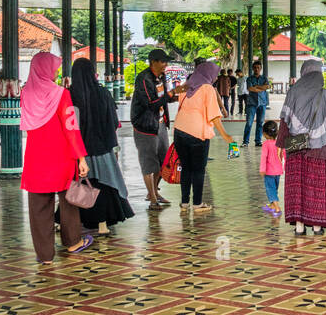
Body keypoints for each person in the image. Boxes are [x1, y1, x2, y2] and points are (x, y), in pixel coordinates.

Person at [20, 52, 93, 261]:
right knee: (69, 201)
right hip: (61, 156)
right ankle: (73, 243)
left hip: (35, 159)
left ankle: (44, 255)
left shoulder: (26, 93)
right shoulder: (61, 93)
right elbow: (71, 127)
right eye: (53, 68)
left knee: (38, 208)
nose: (55, 72)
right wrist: (81, 157)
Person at [68, 58, 133, 235]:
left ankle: (69, 222)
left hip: (78, 151)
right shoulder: (103, 93)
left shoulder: (69, 94)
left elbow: (68, 125)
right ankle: (103, 225)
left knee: (80, 185)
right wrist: (112, 145)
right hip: (102, 149)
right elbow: (112, 121)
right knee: (104, 185)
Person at [279, 60, 326, 237]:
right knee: (317, 187)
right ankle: (317, 227)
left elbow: (284, 122)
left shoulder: (293, 92)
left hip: (296, 149)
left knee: (298, 188)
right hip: (320, 151)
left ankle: (299, 226)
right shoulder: (325, 94)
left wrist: (280, 147)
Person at [172, 61, 233, 213]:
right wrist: (225, 135)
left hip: (179, 131)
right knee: (198, 170)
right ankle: (197, 203)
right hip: (197, 135)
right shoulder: (207, 88)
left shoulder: (186, 86)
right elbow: (213, 116)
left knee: (186, 168)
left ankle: (185, 203)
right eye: (214, 74)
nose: (215, 78)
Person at [131, 48, 184, 210]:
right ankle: (153, 198)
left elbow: (163, 99)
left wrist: (176, 96)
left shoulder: (161, 77)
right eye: (162, 61)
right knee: (149, 162)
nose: (165, 65)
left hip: (160, 123)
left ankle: (153, 191)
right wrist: (171, 94)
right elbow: (150, 104)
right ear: (153, 62)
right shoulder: (143, 79)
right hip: (146, 126)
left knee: (163, 161)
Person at [242, 60, 271, 147]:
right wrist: (262, 88)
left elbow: (268, 86)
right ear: (252, 69)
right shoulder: (249, 78)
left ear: (260, 68)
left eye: (258, 68)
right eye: (255, 68)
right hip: (252, 103)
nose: (256, 69)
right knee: (249, 123)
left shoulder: (264, 78)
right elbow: (250, 89)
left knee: (260, 123)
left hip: (262, 103)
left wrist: (257, 87)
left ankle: (258, 141)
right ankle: (245, 141)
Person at [260, 120, 283, 216]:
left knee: (270, 189)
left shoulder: (266, 144)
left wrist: (262, 169)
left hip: (269, 171)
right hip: (278, 171)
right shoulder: (279, 143)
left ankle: (277, 208)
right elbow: (283, 155)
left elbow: (264, 157)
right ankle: (272, 205)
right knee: (274, 188)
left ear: (265, 134)